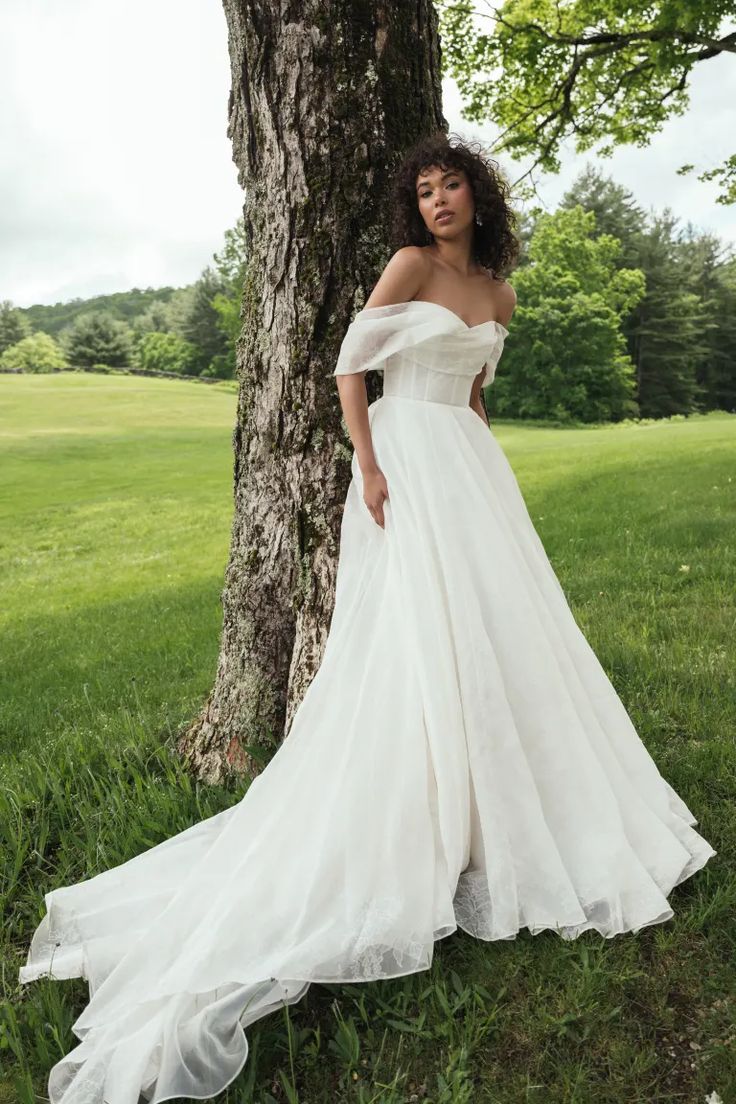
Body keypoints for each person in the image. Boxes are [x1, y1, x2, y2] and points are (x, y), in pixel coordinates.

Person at [18, 133, 716, 1104]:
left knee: (496, 630)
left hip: (469, 467)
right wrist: (372, 465)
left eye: (450, 185)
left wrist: (469, 453)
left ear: (479, 196)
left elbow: (475, 393)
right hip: (403, 462)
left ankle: (492, 801)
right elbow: (353, 368)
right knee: (414, 632)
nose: (436, 201)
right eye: (423, 189)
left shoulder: (501, 293)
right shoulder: (410, 267)